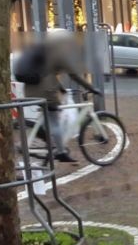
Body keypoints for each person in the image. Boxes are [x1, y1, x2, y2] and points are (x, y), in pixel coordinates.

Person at [21, 33, 100, 162]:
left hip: (29, 91)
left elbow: (48, 75)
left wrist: (62, 90)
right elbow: (74, 75)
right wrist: (91, 88)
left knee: (48, 117)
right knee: (55, 120)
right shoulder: (59, 56)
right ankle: (61, 152)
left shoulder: (44, 53)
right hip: (46, 93)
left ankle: (40, 135)